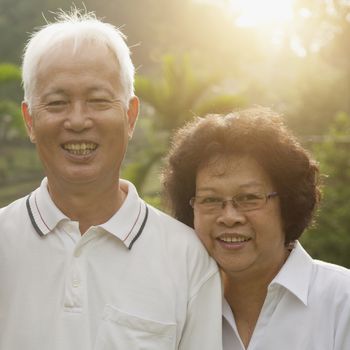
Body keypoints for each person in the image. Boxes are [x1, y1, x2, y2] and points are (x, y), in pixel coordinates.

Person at [0, 9, 223, 350]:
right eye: (58, 102)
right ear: (29, 120)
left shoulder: (187, 258)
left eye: (98, 100)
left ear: (130, 116)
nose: (77, 120)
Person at [162, 107, 350, 350]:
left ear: (288, 203)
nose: (229, 217)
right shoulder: (174, 306)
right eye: (210, 199)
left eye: (249, 197)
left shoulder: (342, 300)